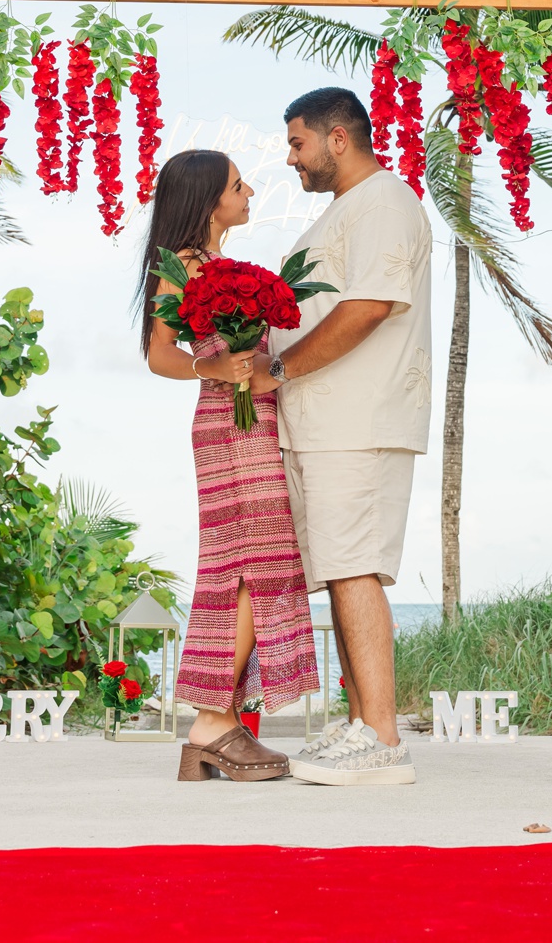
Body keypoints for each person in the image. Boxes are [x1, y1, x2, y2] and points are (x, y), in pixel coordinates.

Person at [264, 86, 434, 785]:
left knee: (355, 562)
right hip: (323, 423)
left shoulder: (386, 202)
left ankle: (384, 738)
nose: (291, 158)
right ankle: (364, 724)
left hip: (359, 420)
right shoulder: (346, 212)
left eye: (298, 143)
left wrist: (281, 368)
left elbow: (370, 304)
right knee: (339, 565)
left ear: (339, 138)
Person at [137, 148, 319, 782]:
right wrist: (212, 366)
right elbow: (158, 353)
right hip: (226, 424)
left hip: (254, 420)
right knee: (247, 563)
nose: (249, 193)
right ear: (208, 198)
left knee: (253, 562)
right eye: (238, 186)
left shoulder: (221, 266)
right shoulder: (185, 266)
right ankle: (213, 725)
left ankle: (222, 722)